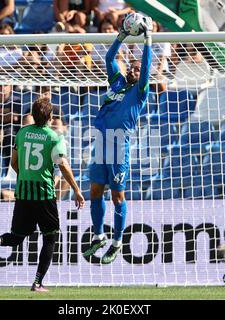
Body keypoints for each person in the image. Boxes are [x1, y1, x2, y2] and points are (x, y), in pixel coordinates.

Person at [0, 97, 85, 292]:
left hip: (23, 193)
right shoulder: (54, 137)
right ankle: (37, 282)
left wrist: (26, 175)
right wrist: (77, 190)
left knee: (17, 236)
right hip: (44, 194)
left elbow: (13, 163)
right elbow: (62, 165)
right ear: (50, 116)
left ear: (33, 114)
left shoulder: (22, 133)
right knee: (51, 237)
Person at [83, 15, 152, 264]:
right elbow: (109, 58)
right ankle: (99, 235)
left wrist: (147, 40)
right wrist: (121, 36)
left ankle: (117, 241)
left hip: (119, 144)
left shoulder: (140, 91)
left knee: (117, 196)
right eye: (131, 67)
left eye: (136, 68)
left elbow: (146, 68)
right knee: (94, 191)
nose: (134, 70)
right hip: (101, 142)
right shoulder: (117, 81)